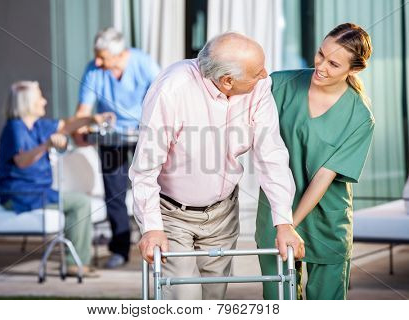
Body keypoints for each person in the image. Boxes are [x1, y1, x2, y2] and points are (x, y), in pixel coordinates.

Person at [129, 32, 305, 300]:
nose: (265, 74)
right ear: (227, 81)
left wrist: (284, 223)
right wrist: (152, 227)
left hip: (223, 214)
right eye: (257, 71)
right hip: (173, 215)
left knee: (215, 299)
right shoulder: (172, 89)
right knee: (184, 301)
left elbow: (272, 156)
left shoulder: (258, 87)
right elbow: (145, 167)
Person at [256, 23, 374, 300]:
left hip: (326, 220)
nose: (320, 66)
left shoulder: (360, 117)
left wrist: (290, 224)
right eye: (320, 54)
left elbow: (324, 176)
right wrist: (282, 224)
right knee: (279, 300)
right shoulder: (280, 85)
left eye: (333, 64)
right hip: (276, 213)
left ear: (353, 70)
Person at [0, 81, 113, 276]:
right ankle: (73, 264)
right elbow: (22, 161)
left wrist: (92, 119)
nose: (44, 101)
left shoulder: (38, 125)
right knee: (80, 202)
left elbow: (67, 125)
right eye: (39, 97)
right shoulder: (15, 128)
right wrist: (46, 146)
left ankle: (74, 261)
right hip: (20, 195)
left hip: (41, 192)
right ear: (27, 103)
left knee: (79, 201)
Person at [73, 28, 160, 269]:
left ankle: (161, 245)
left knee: (157, 187)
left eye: (102, 57)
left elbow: (163, 98)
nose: (97, 61)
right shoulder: (94, 70)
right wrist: (80, 128)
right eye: (96, 56)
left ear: (120, 54)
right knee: (115, 194)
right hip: (112, 136)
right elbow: (83, 110)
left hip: (144, 133)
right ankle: (120, 249)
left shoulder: (143, 63)